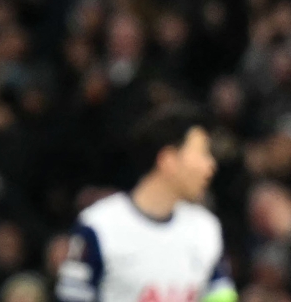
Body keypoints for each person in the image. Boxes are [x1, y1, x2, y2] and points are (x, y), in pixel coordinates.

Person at [55, 105, 237, 302]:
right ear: (168, 159)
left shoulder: (206, 229)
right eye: (202, 153)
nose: (210, 165)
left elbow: (221, 295)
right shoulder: (99, 227)